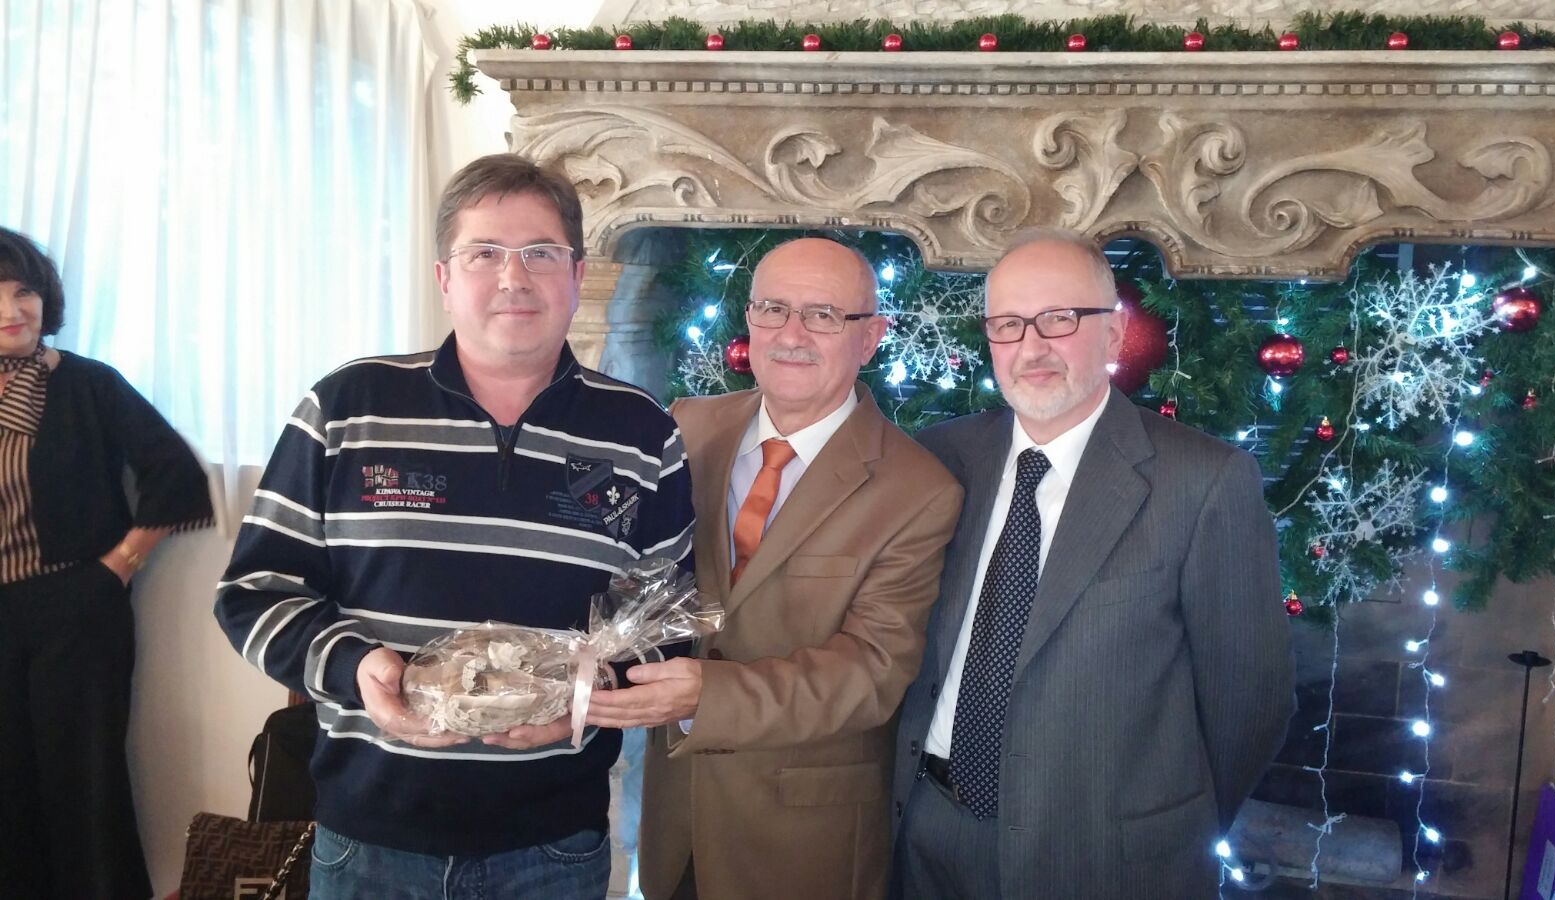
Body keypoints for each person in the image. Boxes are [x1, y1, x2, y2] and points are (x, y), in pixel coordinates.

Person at [213, 154, 695, 899]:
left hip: (554, 847)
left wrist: (583, 697)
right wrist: (354, 667)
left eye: (541, 253)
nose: (514, 277)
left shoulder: (641, 432)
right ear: (445, 277)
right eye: (484, 253)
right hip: (370, 843)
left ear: (577, 275)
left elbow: (667, 626)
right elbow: (252, 593)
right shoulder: (348, 408)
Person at [889, 234, 1295, 898]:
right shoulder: (940, 456)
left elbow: (1249, 702)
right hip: (928, 832)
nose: (1031, 346)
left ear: (1115, 333)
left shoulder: (1203, 481)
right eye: (1008, 324)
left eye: (1060, 319)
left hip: (1102, 855)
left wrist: (1167, 826)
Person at [584, 237, 963, 900]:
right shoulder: (686, 428)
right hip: (676, 820)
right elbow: (634, 576)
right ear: (749, 320)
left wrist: (709, 696)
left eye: (823, 315)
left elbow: (872, 672)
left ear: (870, 337)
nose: (791, 335)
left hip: (801, 841)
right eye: (773, 309)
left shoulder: (918, 489)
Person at [0, 227, 213, 899]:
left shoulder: (88, 384)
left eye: (24, 290)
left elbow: (173, 472)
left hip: (74, 612)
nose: (12, 308)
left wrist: (118, 565)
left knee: (84, 784)